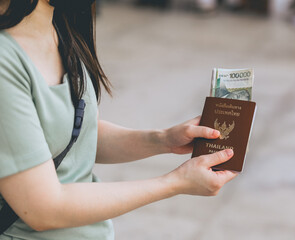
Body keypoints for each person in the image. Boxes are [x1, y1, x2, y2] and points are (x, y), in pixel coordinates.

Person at [0, 0, 238, 239]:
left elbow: (77, 134)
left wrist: (163, 140)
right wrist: (175, 182)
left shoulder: (58, 27)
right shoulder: (5, 60)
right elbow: (44, 209)